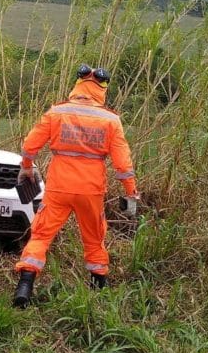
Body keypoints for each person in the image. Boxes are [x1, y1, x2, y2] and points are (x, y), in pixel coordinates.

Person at [12, 65, 140, 307]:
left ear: (78, 84)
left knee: (40, 235)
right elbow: (123, 164)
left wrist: (27, 166)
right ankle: (99, 288)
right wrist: (130, 191)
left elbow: (30, 145)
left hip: (59, 187)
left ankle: (25, 286)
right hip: (91, 190)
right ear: (102, 88)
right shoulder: (111, 120)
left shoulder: (57, 112)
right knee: (94, 238)